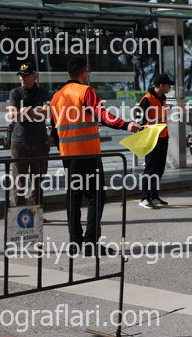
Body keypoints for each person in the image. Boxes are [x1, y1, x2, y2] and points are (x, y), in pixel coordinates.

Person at [50, 57, 140, 255]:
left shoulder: (56, 97)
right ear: (84, 72)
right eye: (88, 72)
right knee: (96, 197)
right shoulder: (85, 91)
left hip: (68, 156)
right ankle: (90, 244)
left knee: (74, 198)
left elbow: (54, 131)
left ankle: (75, 243)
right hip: (88, 154)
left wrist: (64, 148)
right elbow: (103, 115)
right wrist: (126, 125)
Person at [7, 62, 50, 207]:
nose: (22, 78)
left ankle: (35, 213)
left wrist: (27, 111)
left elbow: (46, 113)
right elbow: (13, 115)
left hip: (39, 142)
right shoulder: (15, 93)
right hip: (19, 143)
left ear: (34, 77)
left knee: (38, 181)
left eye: (26, 75)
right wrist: (35, 112)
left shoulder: (43, 93)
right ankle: (17, 213)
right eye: (21, 75)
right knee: (18, 181)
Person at [136, 73, 173, 209]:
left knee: (159, 169)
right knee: (150, 169)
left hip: (163, 138)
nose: (170, 87)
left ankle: (154, 196)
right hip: (151, 139)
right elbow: (138, 119)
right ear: (162, 86)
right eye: (168, 85)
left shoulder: (162, 99)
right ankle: (144, 198)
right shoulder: (147, 99)